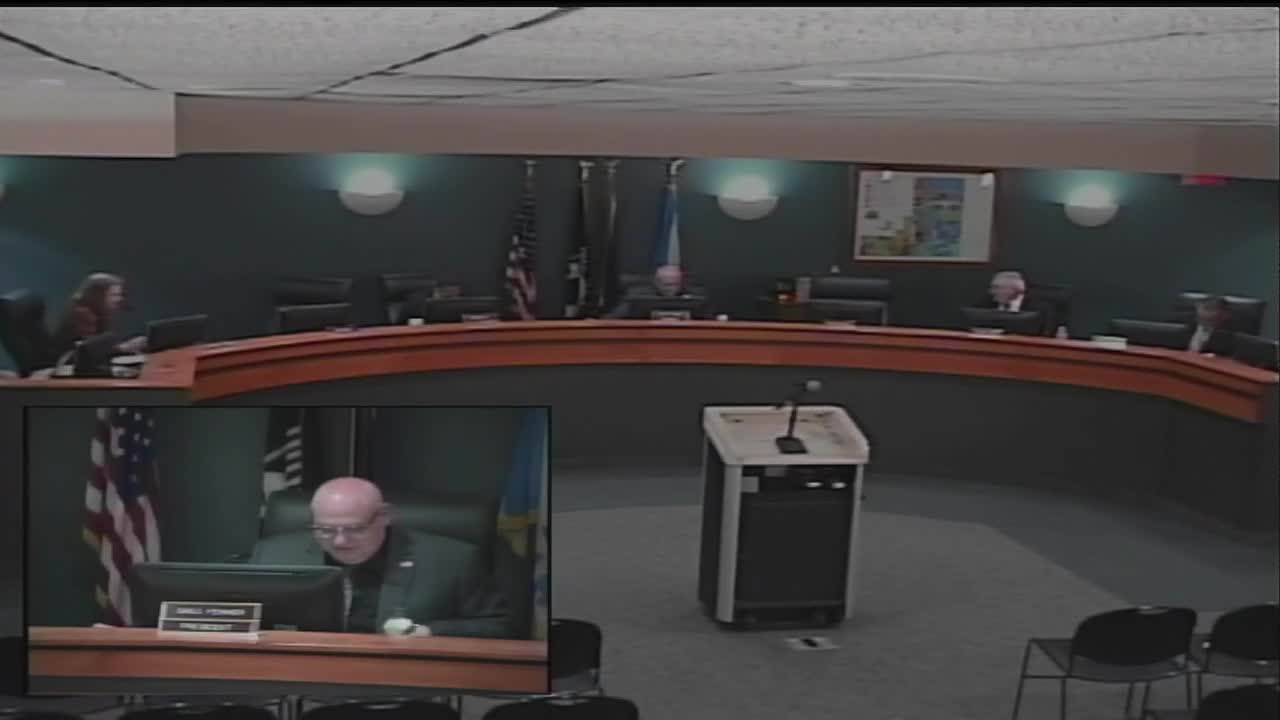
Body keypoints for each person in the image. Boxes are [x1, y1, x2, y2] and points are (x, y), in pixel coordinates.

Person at [249, 476, 512, 638]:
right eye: (325, 530)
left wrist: (430, 632)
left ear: (384, 516)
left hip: (405, 682)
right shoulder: (272, 555)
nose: (340, 541)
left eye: (355, 529)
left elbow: (499, 626)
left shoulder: (453, 560)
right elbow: (244, 620)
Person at [52, 273, 145, 358]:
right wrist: (124, 347)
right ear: (97, 296)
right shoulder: (82, 314)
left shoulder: (99, 311)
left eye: (119, 295)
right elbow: (89, 351)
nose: (119, 299)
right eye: (113, 295)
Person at [973, 270, 1055, 334]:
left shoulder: (1040, 308)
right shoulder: (986, 301)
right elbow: (972, 324)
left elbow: (1045, 334)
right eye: (992, 287)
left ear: (1014, 289)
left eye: (997, 288)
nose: (992, 292)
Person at [604, 264, 697, 318]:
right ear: (656, 282)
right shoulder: (638, 296)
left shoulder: (692, 296)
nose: (669, 288)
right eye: (666, 284)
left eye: (674, 284)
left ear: (680, 283)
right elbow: (612, 319)